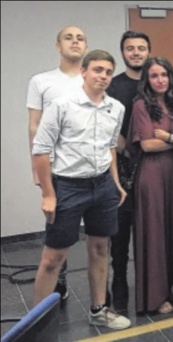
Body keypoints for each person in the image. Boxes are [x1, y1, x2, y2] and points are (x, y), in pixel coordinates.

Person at [31, 49, 131, 330]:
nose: (103, 76)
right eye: (98, 70)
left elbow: (110, 148)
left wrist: (116, 182)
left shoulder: (116, 108)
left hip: (102, 186)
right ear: (84, 72)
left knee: (100, 248)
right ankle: (37, 324)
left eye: (108, 72)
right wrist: (49, 194)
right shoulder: (62, 105)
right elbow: (40, 151)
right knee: (54, 257)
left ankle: (99, 310)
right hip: (68, 187)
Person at [26, 25, 88, 303]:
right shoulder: (41, 81)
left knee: (98, 236)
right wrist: (37, 168)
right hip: (58, 171)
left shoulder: (92, 79)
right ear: (57, 46)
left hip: (90, 168)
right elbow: (34, 126)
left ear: (85, 47)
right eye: (68, 37)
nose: (75, 42)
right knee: (59, 231)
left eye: (80, 38)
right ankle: (58, 283)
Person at [127, 57, 173, 314]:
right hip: (152, 175)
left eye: (164, 74)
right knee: (155, 234)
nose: (160, 80)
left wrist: (171, 138)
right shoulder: (141, 105)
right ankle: (155, 296)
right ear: (146, 80)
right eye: (154, 76)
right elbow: (148, 145)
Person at [105, 30, 151, 309]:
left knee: (151, 229)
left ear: (148, 51)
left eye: (141, 48)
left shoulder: (156, 81)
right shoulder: (113, 85)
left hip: (152, 164)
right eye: (130, 48)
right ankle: (119, 281)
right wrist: (122, 146)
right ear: (123, 52)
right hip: (119, 165)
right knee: (120, 231)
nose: (136, 52)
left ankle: (154, 282)